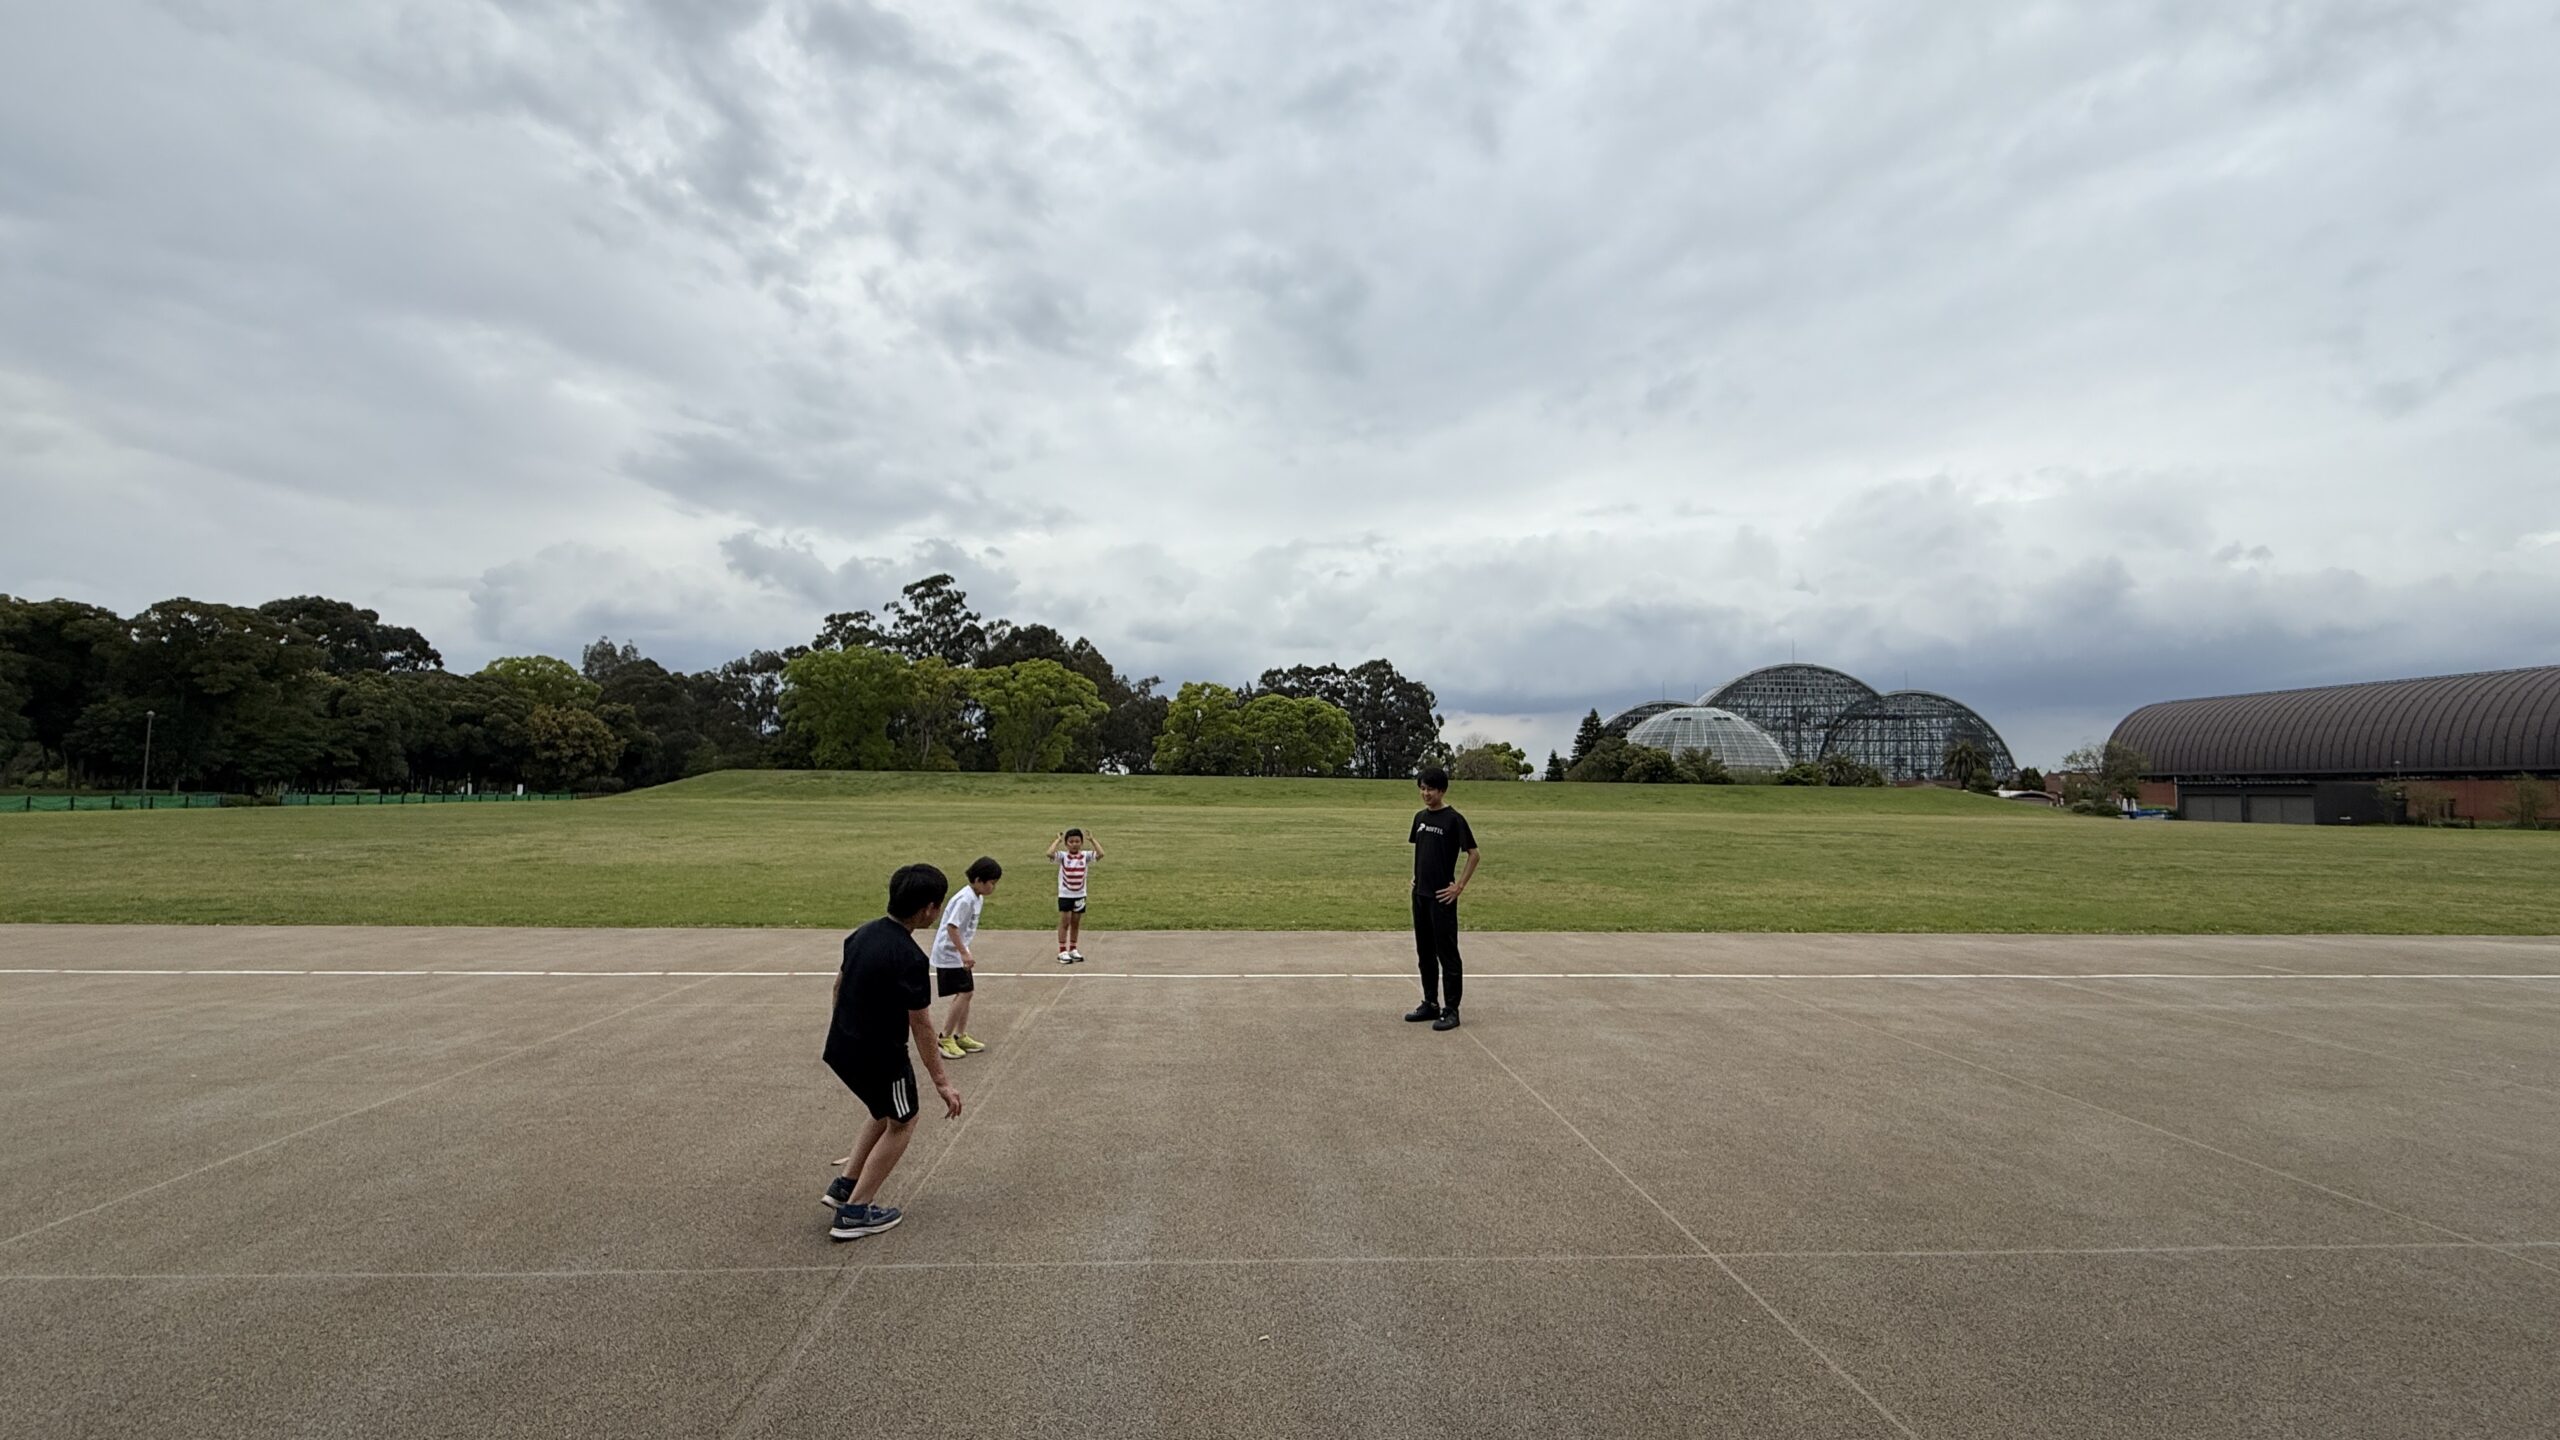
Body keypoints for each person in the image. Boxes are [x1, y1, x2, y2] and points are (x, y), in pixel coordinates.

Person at [820, 863, 964, 1240]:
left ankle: (845, 1186)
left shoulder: (862, 934)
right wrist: (942, 1082)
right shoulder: (910, 958)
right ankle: (856, 1212)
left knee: (883, 1112)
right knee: (904, 1120)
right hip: (880, 1057)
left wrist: (843, 1030)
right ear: (928, 909)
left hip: (841, 1048)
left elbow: (838, 985)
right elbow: (922, 1025)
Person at [1404, 766, 1479, 1031]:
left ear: (1442, 790)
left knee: (1447, 954)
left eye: (1431, 789)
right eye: (1422, 789)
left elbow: (1474, 854)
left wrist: (1459, 886)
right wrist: (1416, 877)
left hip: (1441, 898)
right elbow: (1424, 852)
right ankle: (1430, 1003)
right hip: (1420, 895)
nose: (1426, 794)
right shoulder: (1419, 818)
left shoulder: (1453, 820)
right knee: (1424, 952)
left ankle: (1451, 1009)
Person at [931, 857, 1002, 1059]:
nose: (993, 887)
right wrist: (963, 952)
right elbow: (952, 927)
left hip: (957, 952)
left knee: (966, 992)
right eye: (991, 883)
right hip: (949, 952)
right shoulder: (965, 899)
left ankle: (960, 1035)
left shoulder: (976, 897)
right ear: (978, 880)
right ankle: (945, 1037)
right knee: (965, 992)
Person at [1048, 827, 1103, 964]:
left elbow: (1101, 854)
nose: (1074, 844)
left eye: (1077, 841)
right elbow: (1049, 853)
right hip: (1065, 894)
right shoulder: (1063, 856)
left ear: (1081, 843)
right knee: (1065, 921)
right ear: (1067, 844)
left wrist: (1092, 840)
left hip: (1080, 894)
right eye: (1071, 842)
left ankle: (1073, 948)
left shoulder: (1085, 855)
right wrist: (1057, 841)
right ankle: (1062, 950)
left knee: (1075, 922)